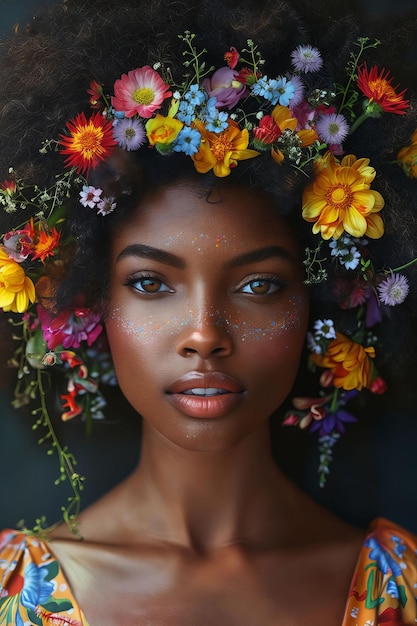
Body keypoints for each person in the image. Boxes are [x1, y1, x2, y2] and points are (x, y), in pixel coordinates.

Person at [1, 0, 417, 623]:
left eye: (258, 286)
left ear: (323, 294)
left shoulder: (404, 587)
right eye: (149, 282)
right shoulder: (12, 594)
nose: (203, 335)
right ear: (87, 297)